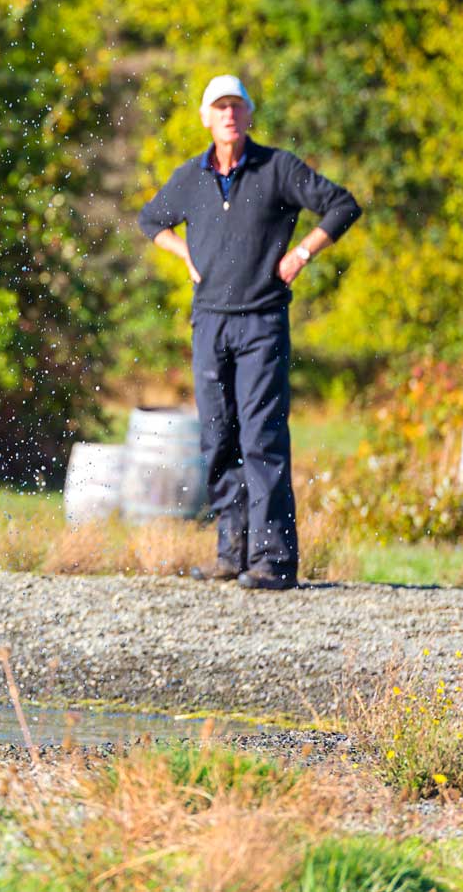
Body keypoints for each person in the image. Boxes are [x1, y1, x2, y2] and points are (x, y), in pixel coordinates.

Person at [137, 75, 361, 590]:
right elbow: (151, 220)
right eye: (219, 107)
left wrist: (303, 252)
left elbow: (343, 205)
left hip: (262, 320)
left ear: (249, 114)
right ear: (205, 117)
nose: (229, 115)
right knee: (218, 437)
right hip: (209, 321)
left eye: (236, 106)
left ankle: (273, 562)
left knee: (261, 438)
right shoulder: (190, 177)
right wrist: (183, 251)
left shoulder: (276, 167)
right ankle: (231, 553)